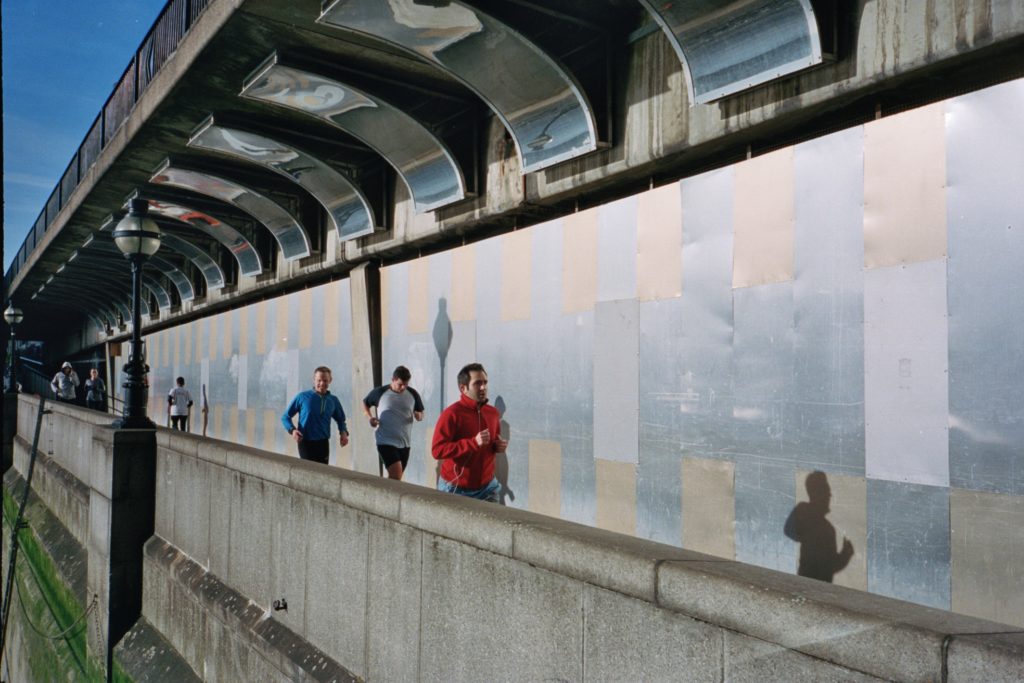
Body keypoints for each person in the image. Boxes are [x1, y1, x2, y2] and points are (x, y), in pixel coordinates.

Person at [431, 362, 508, 502]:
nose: (483, 387)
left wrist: (498, 446)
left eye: (485, 382)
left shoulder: (493, 413)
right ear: (463, 388)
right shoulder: (451, 414)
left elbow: (491, 445)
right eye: (477, 383)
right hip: (456, 489)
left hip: (488, 488)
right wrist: (472, 442)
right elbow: (437, 451)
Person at [362, 365, 425, 480]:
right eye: (400, 384)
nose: (403, 387)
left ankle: (380, 494)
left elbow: (421, 413)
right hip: (385, 441)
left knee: (396, 478)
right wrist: (370, 418)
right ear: (393, 380)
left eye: (405, 384)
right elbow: (365, 403)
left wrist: (418, 416)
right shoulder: (380, 392)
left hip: (404, 443)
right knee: (396, 475)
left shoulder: (412, 394)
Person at [281, 366, 349, 464]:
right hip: (305, 442)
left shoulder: (333, 400)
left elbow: (341, 420)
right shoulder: (302, 397)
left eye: (325, 380)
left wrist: (343, 433)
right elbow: (285, 417)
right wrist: (293, 430)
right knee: (308, 473)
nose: (322, 383)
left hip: (323, 443)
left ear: (330, 380)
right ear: (314, 380)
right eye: (319, 380)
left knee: (323, 473)